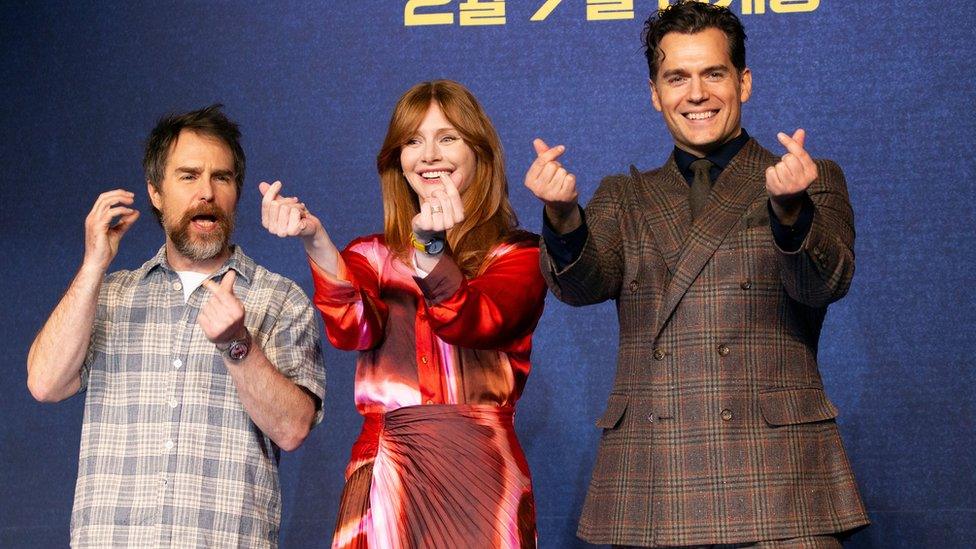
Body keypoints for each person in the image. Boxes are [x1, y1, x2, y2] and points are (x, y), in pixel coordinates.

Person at [524, 2, 869, 547]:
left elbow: (823, 284)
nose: (697, 93)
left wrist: (789, 212)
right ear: (655, 93)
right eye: (676, 77)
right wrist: (564, 218)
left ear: (744, 82)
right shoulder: (623, 196)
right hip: (654, 482)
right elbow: (580, 285)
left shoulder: (808, 178)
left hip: (777, 481)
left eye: (714, 73)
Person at [261, 80, 546, 548]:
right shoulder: (371, 255)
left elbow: (476, 319)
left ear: (480, 152)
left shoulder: (517, 254)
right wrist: (314, 236)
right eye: (413, 141)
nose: (429, 154)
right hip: (386, 467)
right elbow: (350, 327)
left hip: (483, 475)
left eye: (447, 137)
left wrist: (430, 250)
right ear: (398, 160)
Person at [26, 105, 326, 548]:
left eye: (221, 178)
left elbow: (293, 428)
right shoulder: (109, 295)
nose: (206, 192)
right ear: (156, 193)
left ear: (236, 192)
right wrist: (93, 267)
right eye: (188, 176)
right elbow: (45, 383)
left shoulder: (279, 298)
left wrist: (238, 345)